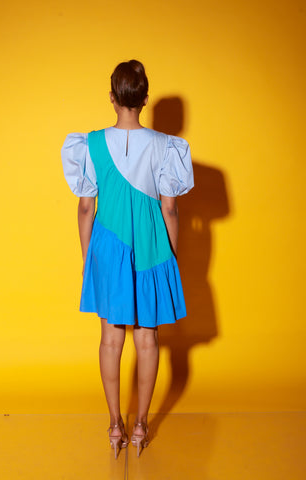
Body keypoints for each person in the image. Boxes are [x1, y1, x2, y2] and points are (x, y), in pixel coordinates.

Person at [61, 60, 194, 458]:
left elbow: (87, 208)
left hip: (108, 246)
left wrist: (90, 257)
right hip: (152, 246)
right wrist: (169, 254)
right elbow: (170, 209)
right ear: (145, 99)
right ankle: (140, 427)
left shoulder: (90, 144)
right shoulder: (166, 147)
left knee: (110, 339)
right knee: (148, 339)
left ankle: (115, 425)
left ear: (113, 97)